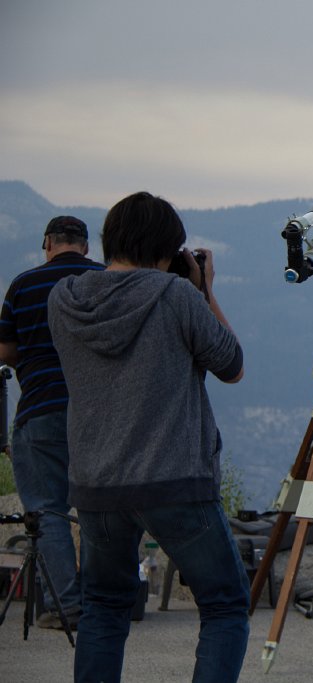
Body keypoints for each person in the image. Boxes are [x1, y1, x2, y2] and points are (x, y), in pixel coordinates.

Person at [47, 192, 250, 683]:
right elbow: (232, 364)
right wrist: (204, 290)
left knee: (102, 607)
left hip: (97, 486)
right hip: (174, 480)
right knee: (224, 605)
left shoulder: (64, 300)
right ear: (166, 249)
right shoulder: (176, 296)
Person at [0, 216, 105, 628]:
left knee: (47, 511)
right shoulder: (104, 280)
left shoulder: (24, 285)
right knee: (104, 509)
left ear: (48, 243)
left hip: (41, 411)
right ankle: (107, 602)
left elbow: (6, 351)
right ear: (84, 246)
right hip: (102, 413)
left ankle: (66, 607)